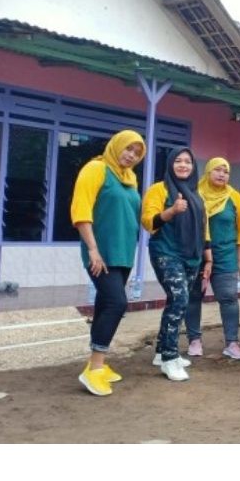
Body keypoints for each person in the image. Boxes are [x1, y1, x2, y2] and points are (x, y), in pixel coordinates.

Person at [71, 130, 146, 396]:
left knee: (105, 304)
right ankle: (93, 370)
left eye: (137, 153)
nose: (131, 156)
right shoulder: (96, 169)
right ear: (116, 146)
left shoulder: (130, 177)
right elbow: (81, 209)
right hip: (100, 253)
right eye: (128, 149)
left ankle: (98, 364)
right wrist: (93, 249)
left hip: (123, 253)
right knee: (117, 303)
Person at [142, 146, 210, 382]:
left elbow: (204, 227)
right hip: (166, 252)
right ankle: (170, 358)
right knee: (179, 299)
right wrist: (171, 211)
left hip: (192, 255)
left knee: (178, 302)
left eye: (188, 162)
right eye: (178, 161)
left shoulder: (196, 194)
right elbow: (148, 222)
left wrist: (207, 256)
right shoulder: (158, 190)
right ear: (170, 164)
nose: (183, 165)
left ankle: (162, 351)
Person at [185, 157, 240, 361]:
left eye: (226, 171)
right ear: (208, 171)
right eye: (218, 170)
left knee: (229, 297)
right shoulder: (194, 194)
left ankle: (232, 342)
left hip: (225, 255)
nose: (222, 174)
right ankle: (194, 340)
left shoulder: (234, 197)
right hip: (196, 254)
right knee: (193, 296)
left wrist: (239, 260)